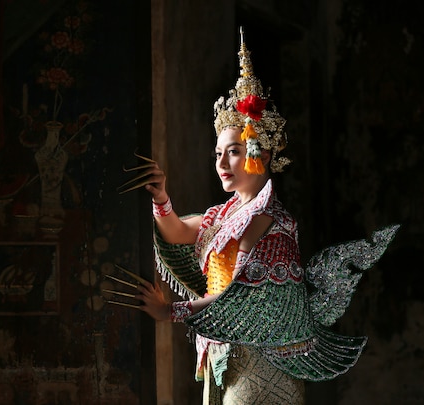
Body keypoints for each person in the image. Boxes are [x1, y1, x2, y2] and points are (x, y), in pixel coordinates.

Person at [117, 28, 399, 404]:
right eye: (217, 153)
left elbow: (238, 294)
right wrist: (161, 197)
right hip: (221, 353)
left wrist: (170, 310)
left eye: (232, 152)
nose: (220, 163)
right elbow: (176, 232)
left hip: (260, 363)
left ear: (261, 155)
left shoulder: (269, 220)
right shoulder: (225, 214)